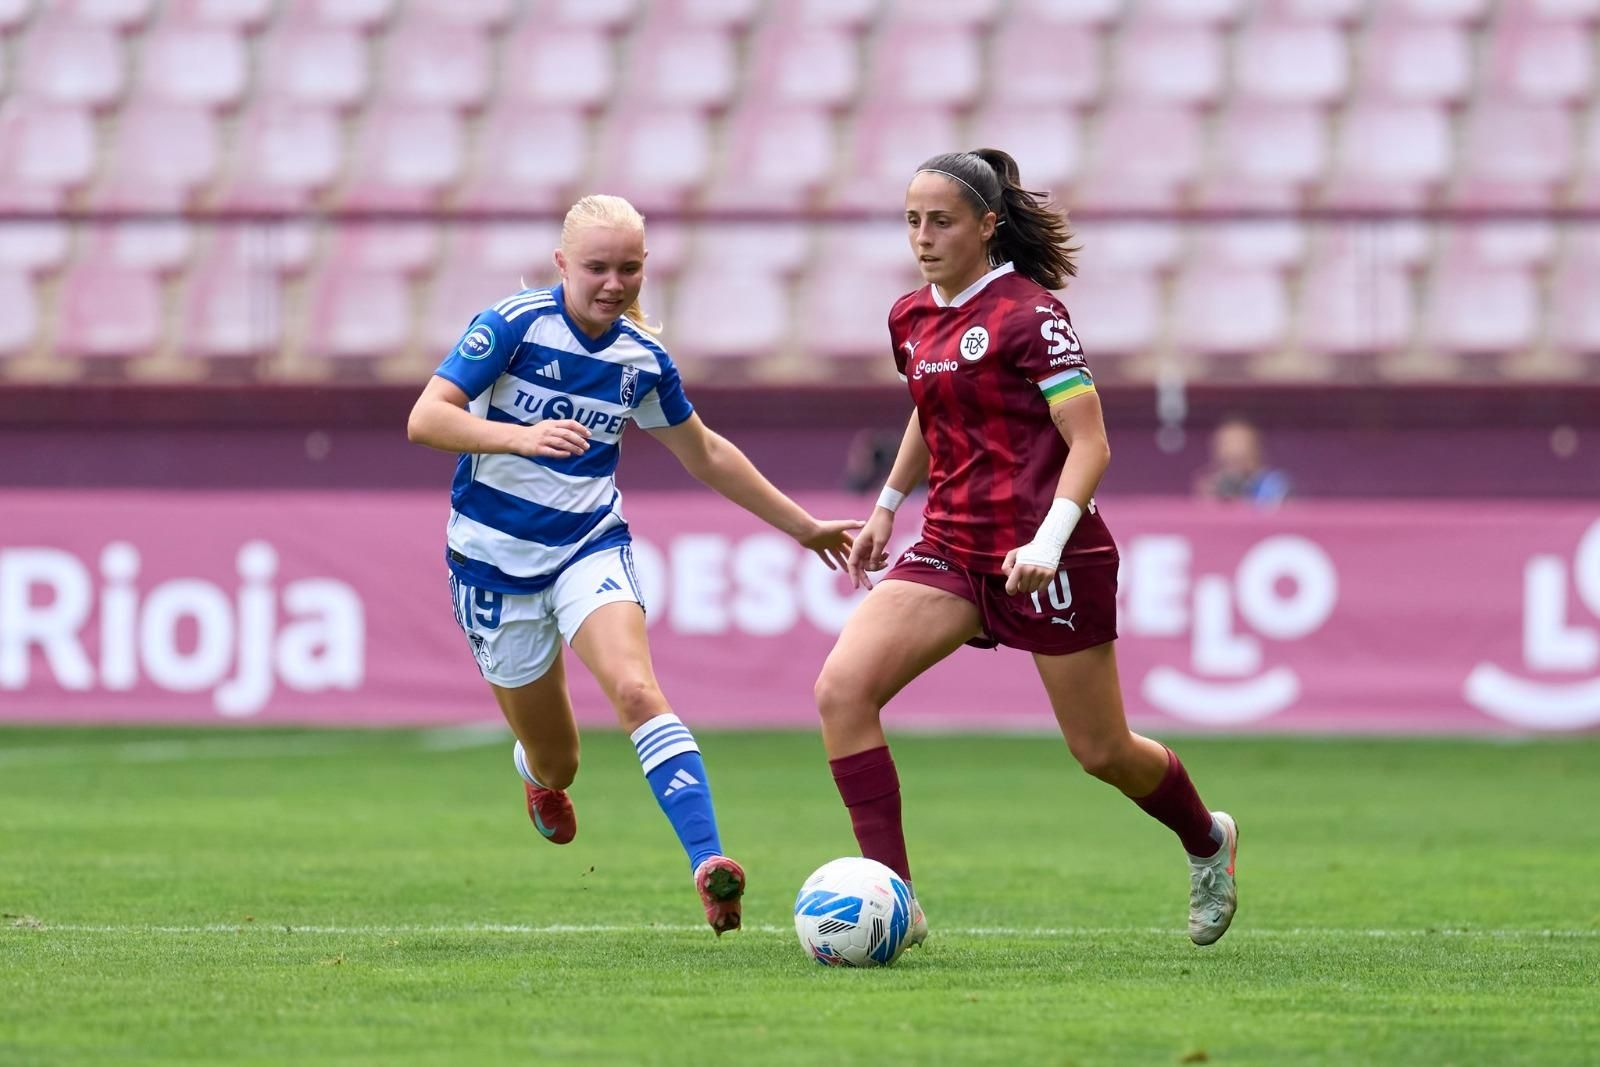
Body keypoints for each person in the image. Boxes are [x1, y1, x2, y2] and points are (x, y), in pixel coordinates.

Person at [813, 150, 1239, 949]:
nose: (923, 236)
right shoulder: (910, 315)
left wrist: (1047, 542)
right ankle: (895, 904)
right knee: (842, 689)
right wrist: (884, 506)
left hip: (1048, 556)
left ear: (986, 223)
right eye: (912, 219)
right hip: (951, 548)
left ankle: (1208, 839)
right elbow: (928, 407)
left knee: (1103, 751)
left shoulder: (1028, 315)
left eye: (940, 220)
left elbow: (1092, 444)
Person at [407, 194, 859, 935]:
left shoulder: (641, 361)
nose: (613, 284)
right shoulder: (513, 325)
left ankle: (710, 865)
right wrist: (517, 438)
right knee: (560, 761)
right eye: (596, 268)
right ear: (562, 265)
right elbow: (427, 417)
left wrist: (803, 526)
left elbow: (706, 452)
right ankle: (536, 776)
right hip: (492, 565)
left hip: (588, 545)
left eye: (629, 269)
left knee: (637, 688)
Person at [1194, 416, 1291, 507]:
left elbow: (1277, 515)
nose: (1233, 452)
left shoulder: (1273, 484)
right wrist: (1208, 502)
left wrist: (1243, 496)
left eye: (1240, 457)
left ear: (1256, 452)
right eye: (1227, 458)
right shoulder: (1213, 486)